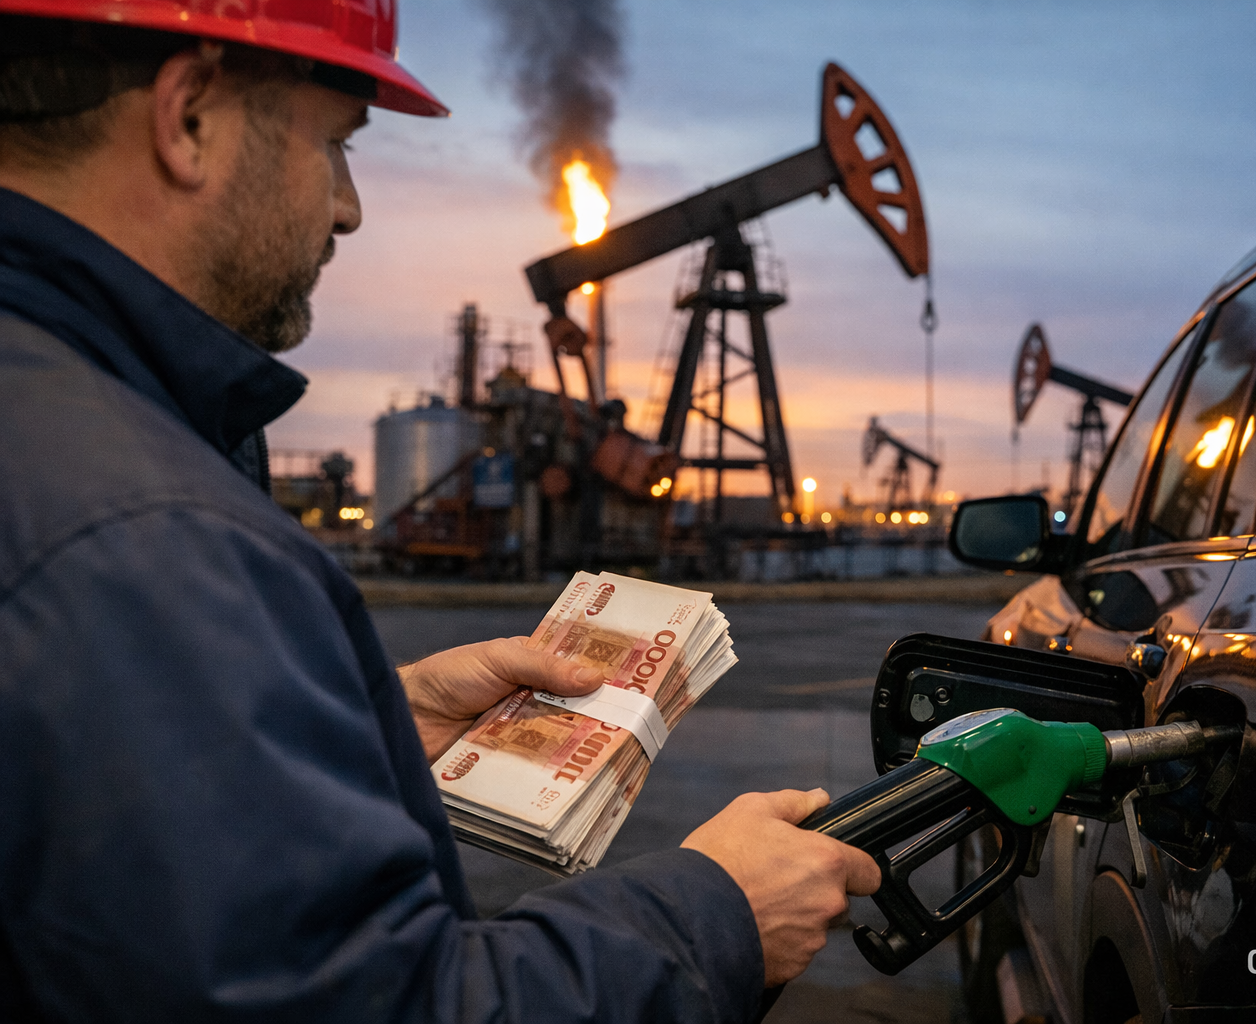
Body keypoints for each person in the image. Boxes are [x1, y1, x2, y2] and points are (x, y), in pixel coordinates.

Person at [0, 5, 880, 1020]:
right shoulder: (147, 540)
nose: (349, 206)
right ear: (189, 115)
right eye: (334, 142)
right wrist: (720, 910)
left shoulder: (57, 436)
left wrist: (363, 721)